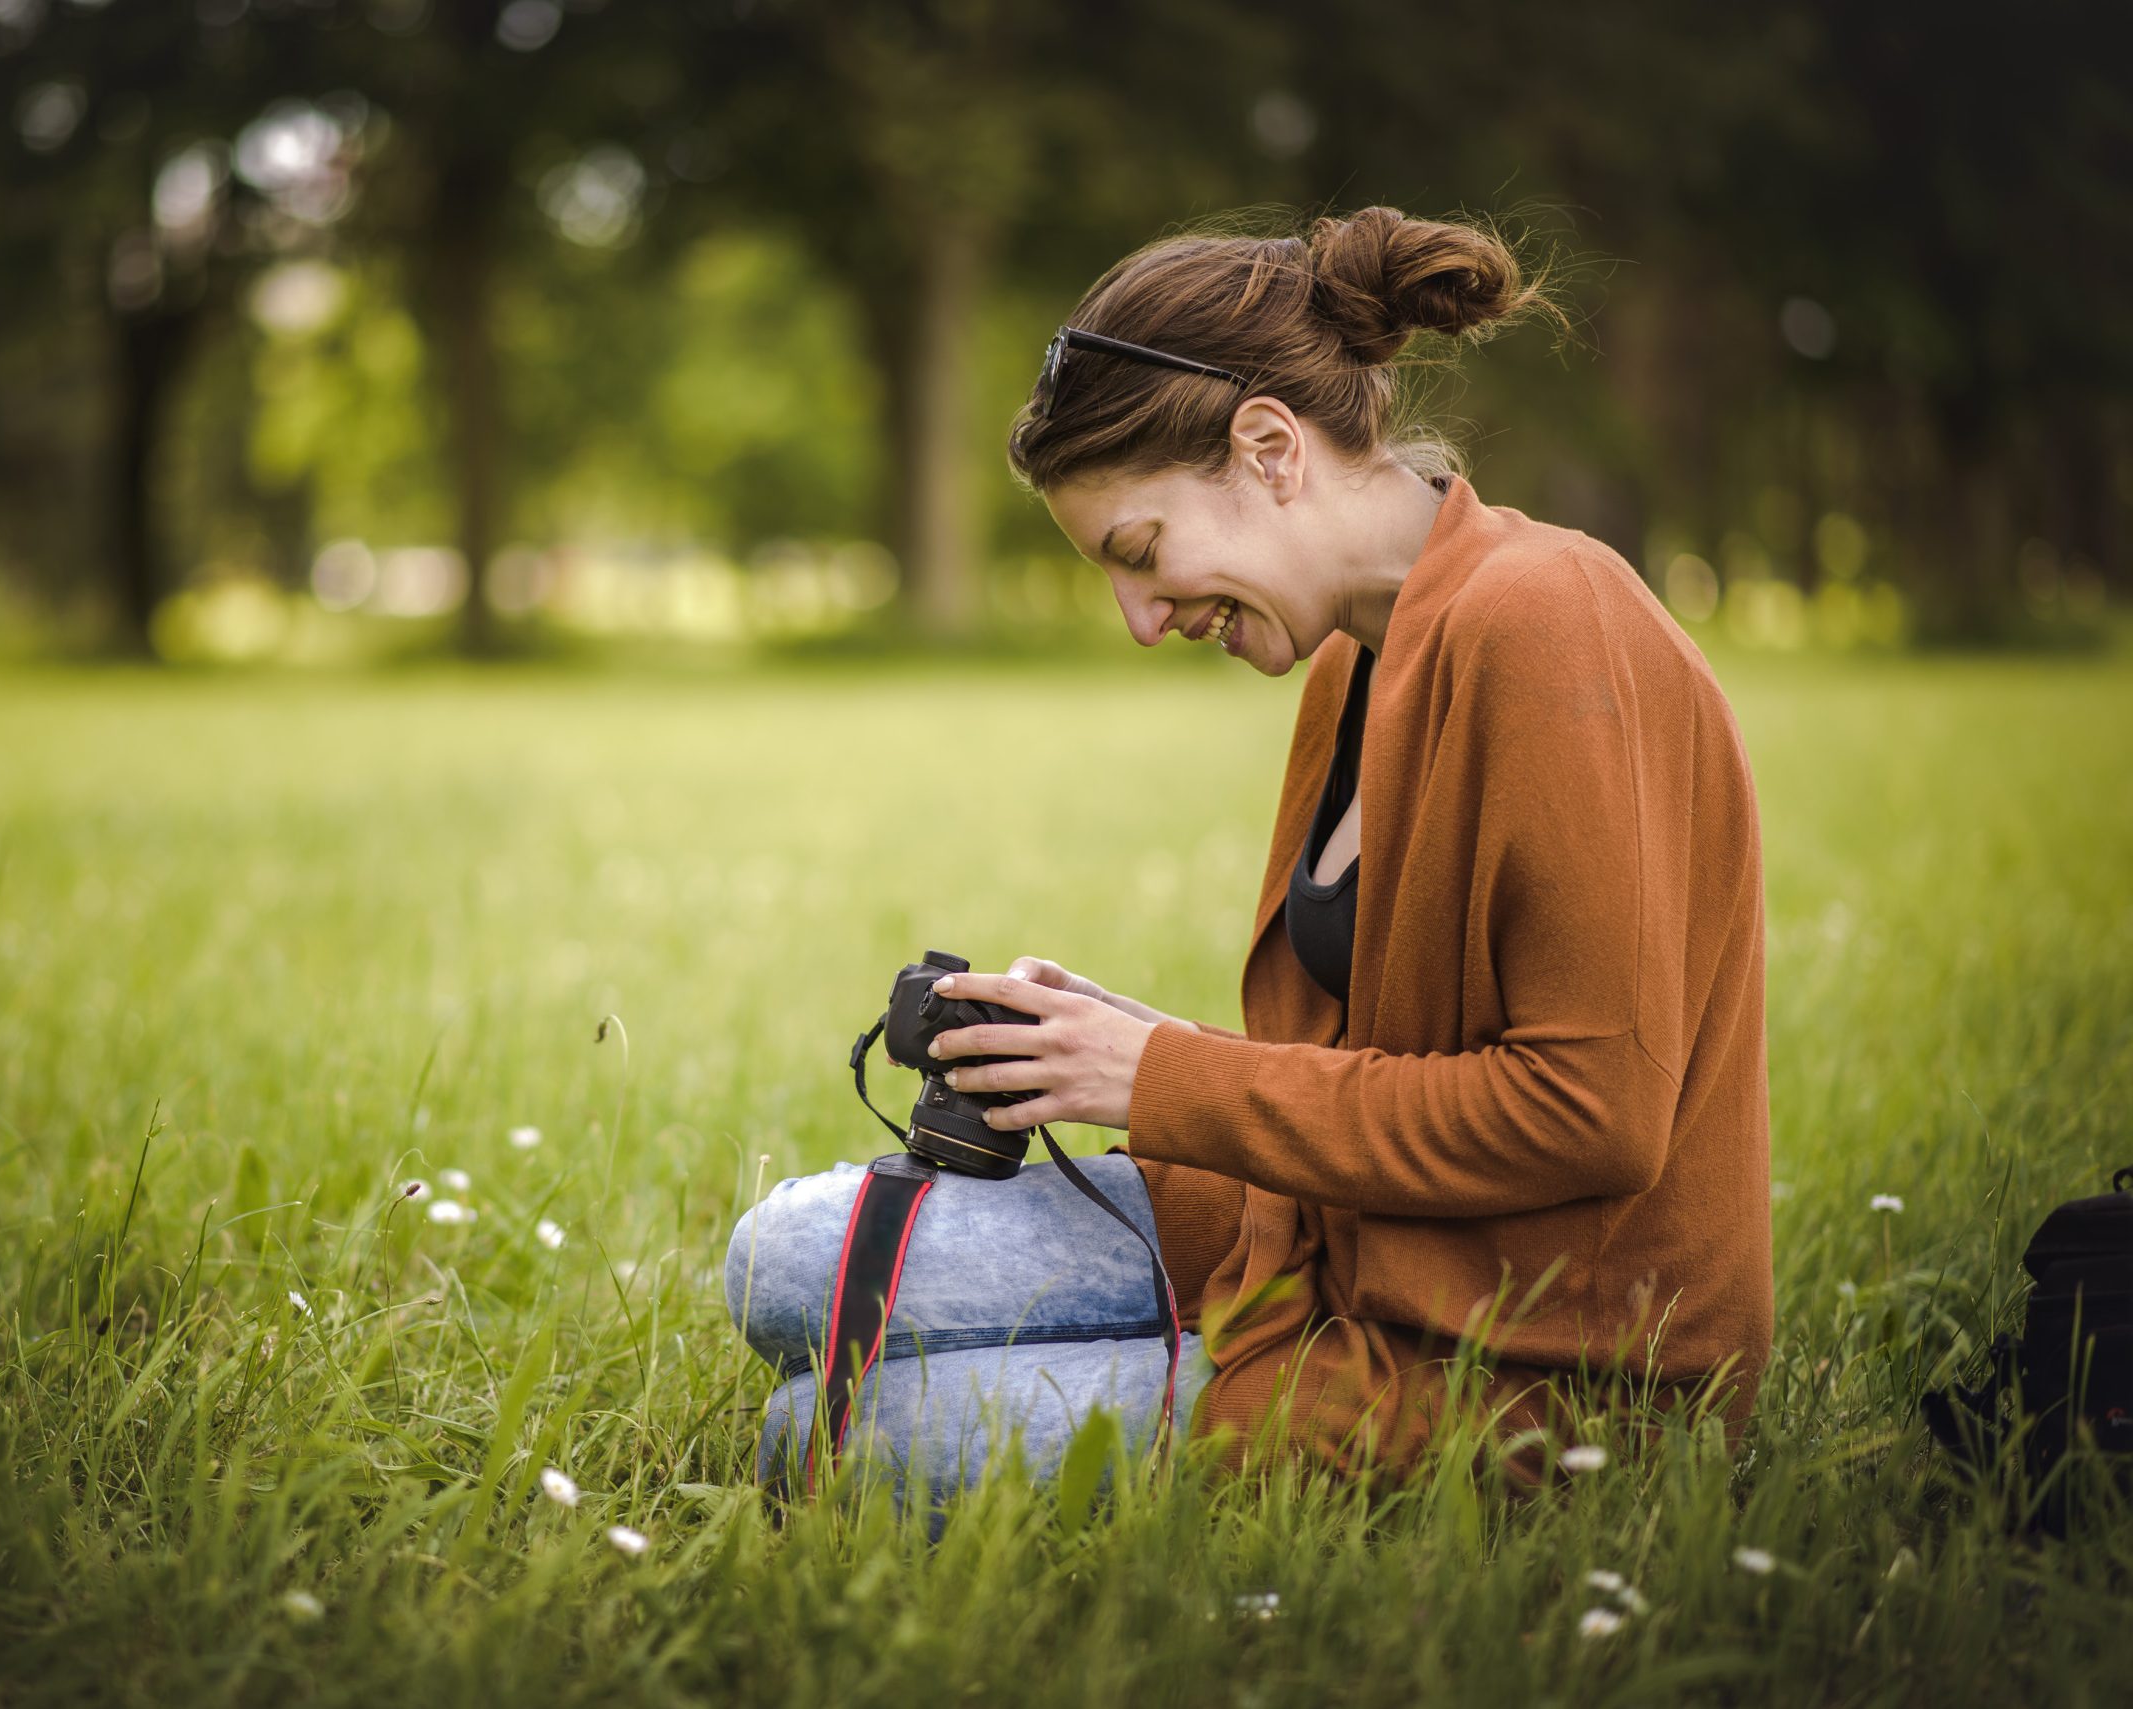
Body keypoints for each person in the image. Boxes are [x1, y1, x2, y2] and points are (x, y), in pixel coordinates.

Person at [724, 207, 1772, 1504]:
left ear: (1270, 451)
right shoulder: (1349, 661)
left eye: (1142, 554)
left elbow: (1590, 1113)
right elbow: (1368, 1072)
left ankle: (1190, 1376)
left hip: (1537, 1363)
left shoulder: (1551, 619)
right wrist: (1119, 1045)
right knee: (779, 1260)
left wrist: (1166, 1077)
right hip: (1336, 1245)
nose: (1142, 618)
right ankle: (1175, 1357)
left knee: (842, 1437)